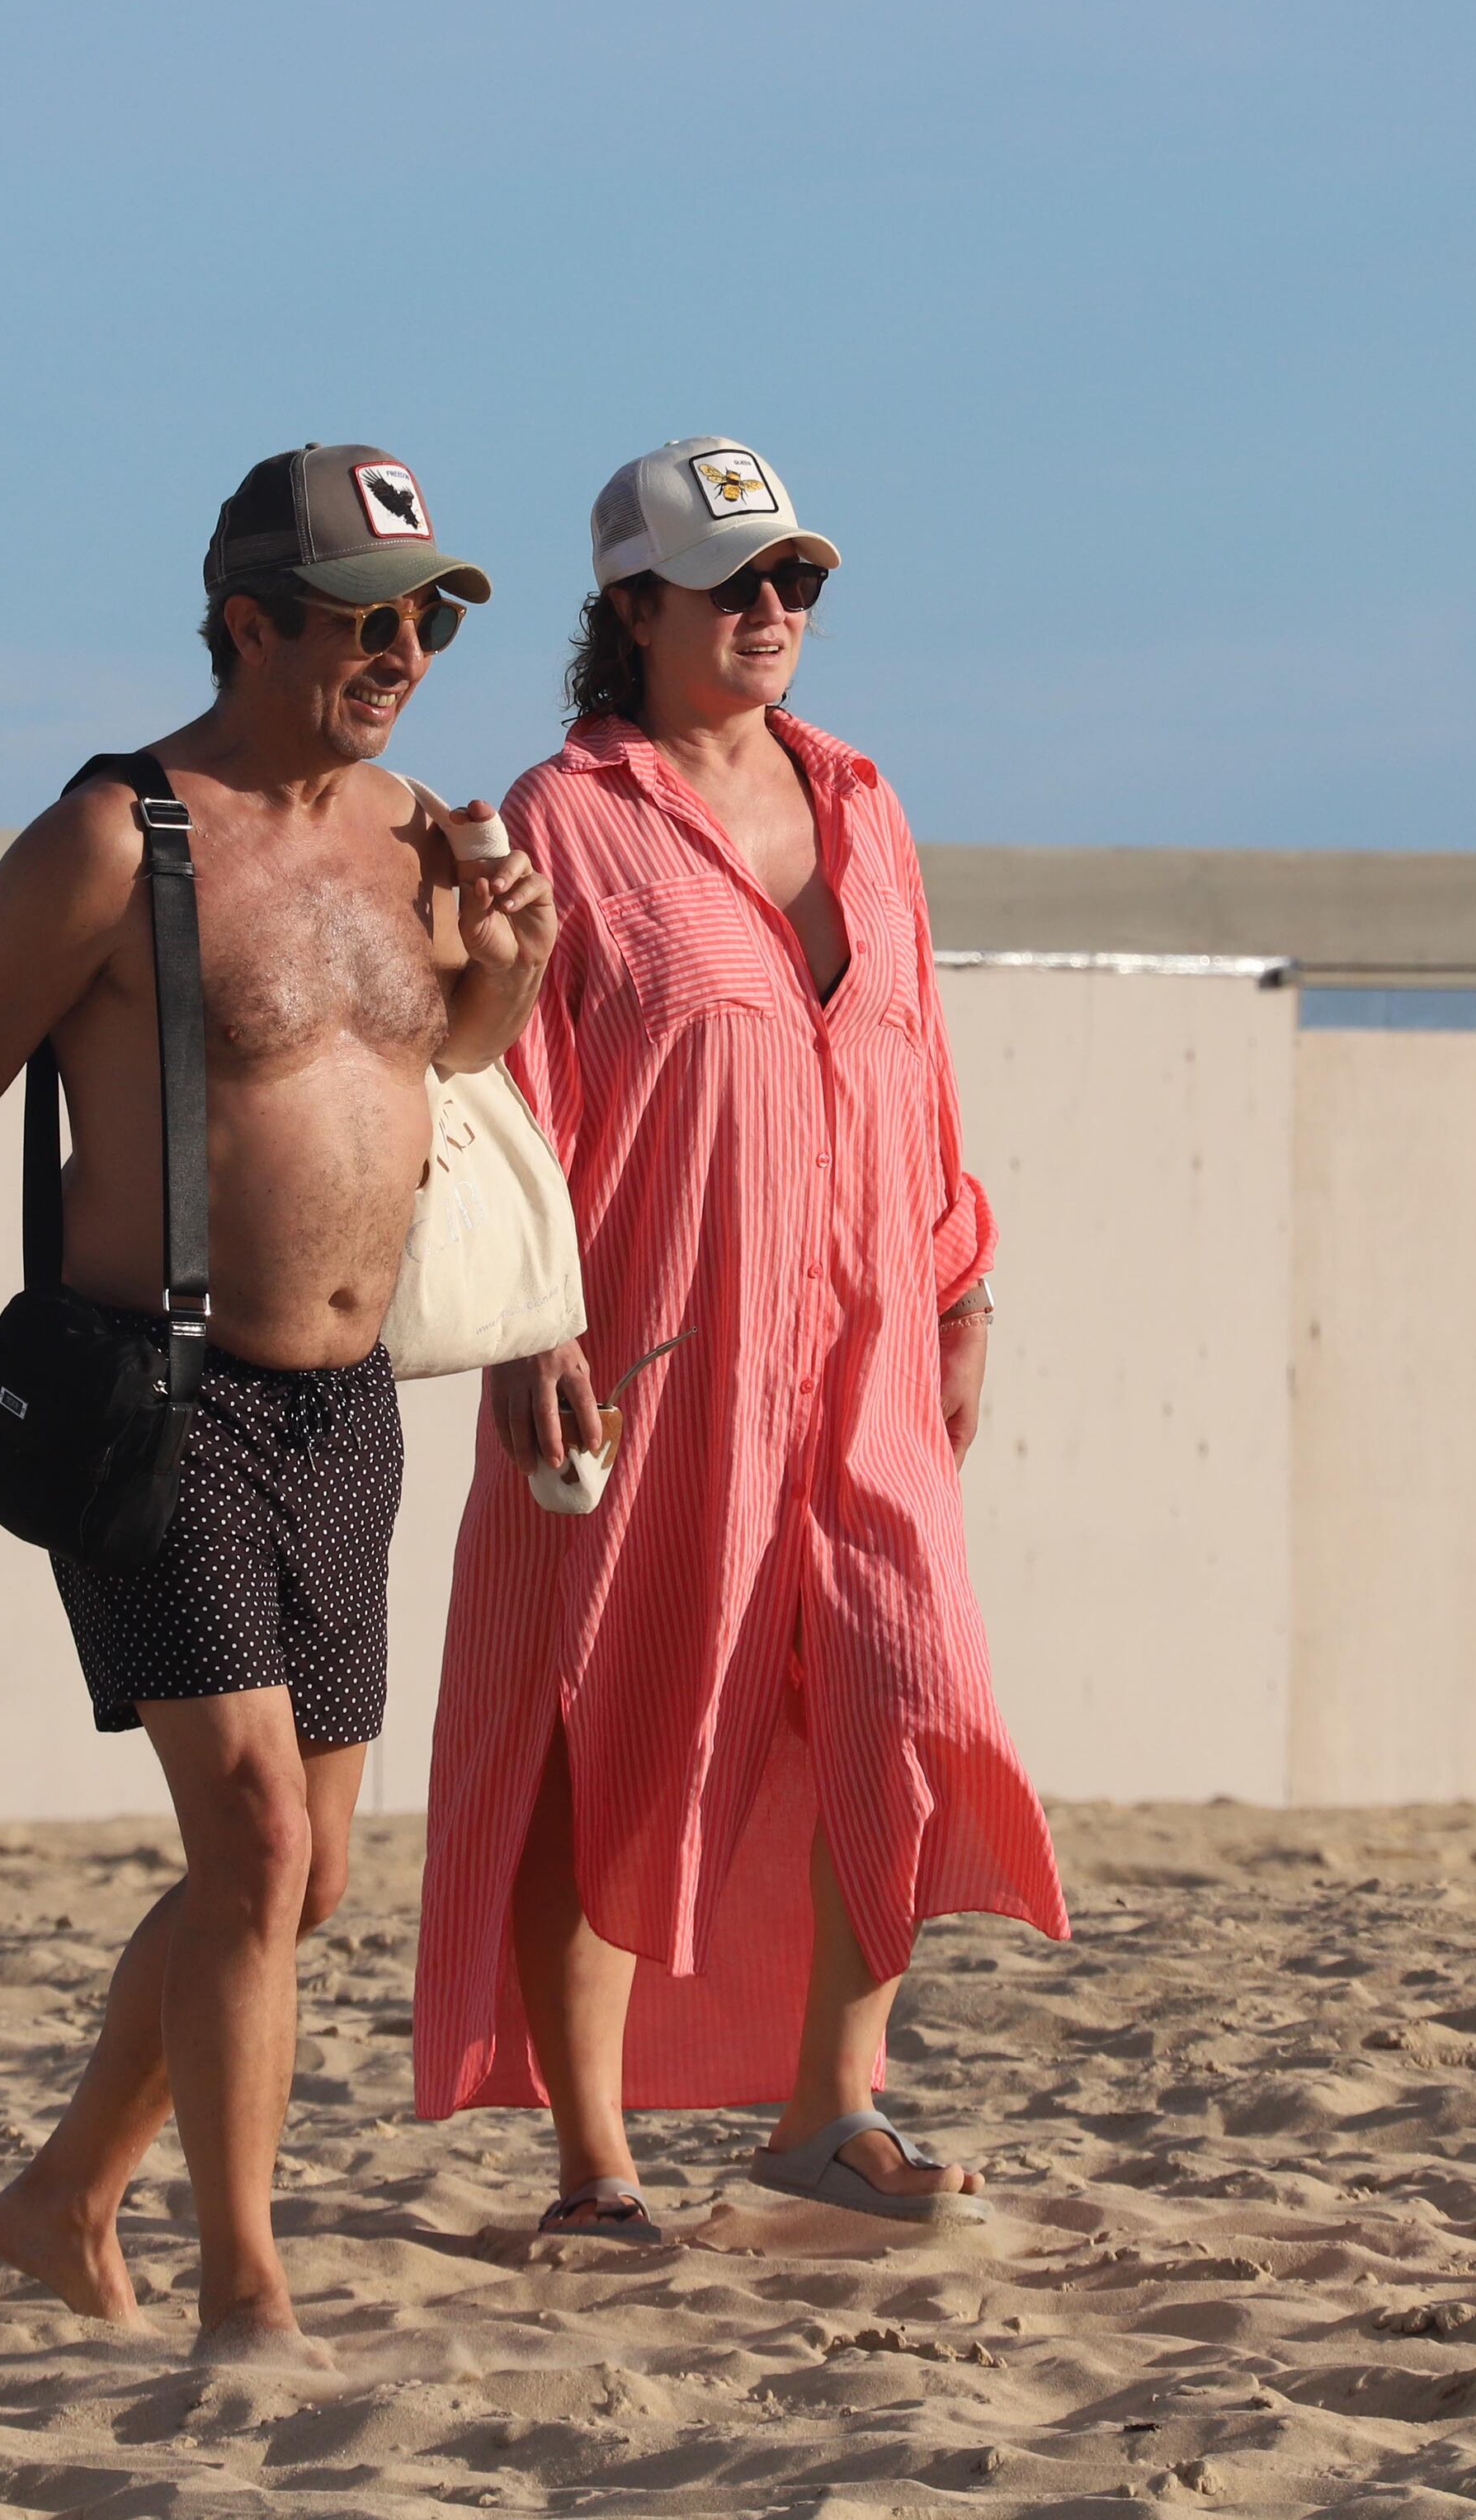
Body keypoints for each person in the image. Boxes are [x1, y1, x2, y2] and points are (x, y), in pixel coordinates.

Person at [0, 443, 559, 2359]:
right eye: (358, 615)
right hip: (155, 1401)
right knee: (253, 1846)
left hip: (350, 1416)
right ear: (245, 618)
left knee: (308, 1878)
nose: (401, 648)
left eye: (423, 614)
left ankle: (61, 2192)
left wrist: (505, 965)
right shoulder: (113, 839)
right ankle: (243, 2293)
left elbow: (441, 1076)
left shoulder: (423, 831)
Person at [413, 437, 1068, 2241]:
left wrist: (963, 1281)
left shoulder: (862, 799)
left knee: (906, 1683)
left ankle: (827, 2103)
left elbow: (916, 1062)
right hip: (641, 1346)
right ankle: (594, 2161)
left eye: (799, 582)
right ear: (634, 604)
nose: (775, 611)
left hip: (860, 1334)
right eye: (737, 582)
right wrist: (527, 1322)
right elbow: (507, 1088)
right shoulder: (561, 815)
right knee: (603, 1717)